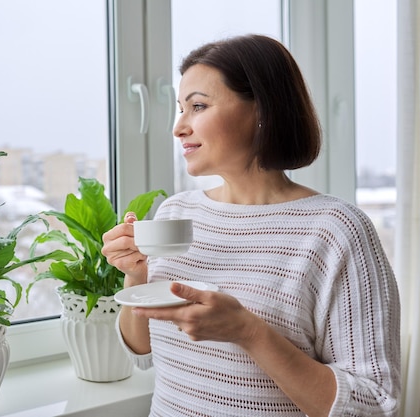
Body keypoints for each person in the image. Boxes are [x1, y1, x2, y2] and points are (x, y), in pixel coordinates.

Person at [101, 34, 400, 417]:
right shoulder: (175, 214)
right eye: (181, 109)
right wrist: (136, 278)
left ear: (262, 110)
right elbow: (141, 351)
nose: (179, 127)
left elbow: (376, 404)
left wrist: (249, 332)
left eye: (197, 106)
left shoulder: (336, 230)